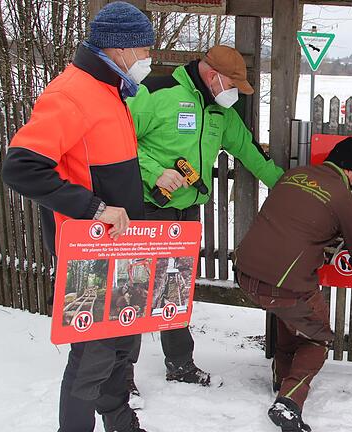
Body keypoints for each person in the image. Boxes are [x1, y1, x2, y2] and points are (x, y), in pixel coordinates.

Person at [1, 3, 154, 431]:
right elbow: (20, 167)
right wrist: (94, 209)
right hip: (90, 256)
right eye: (143, 48)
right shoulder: (70, 93)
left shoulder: (111, 92)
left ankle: (121, 422)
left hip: (122, 250)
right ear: (119, 48)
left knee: (122, 346)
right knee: (91, 359)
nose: (147, 57)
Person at [124, 44, 284, 396]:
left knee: (176, 288)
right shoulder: (157, 93)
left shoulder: (220, 113)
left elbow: (250, 152)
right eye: (232, 86)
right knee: (135, 289)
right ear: (212, 75)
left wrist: (289, 188)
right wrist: (154, 173)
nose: (234, 95)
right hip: (148, 207)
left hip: (187, 212)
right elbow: (117, 141)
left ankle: (179, 363)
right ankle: (120, 375)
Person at [234, 137, 352, 432]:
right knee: (317, 338)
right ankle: (288, 403)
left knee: (290, 316)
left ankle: (281, 378)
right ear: (350, 171)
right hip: (284, 285)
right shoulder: (342, 195)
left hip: (246, 273)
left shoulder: (294, 176)